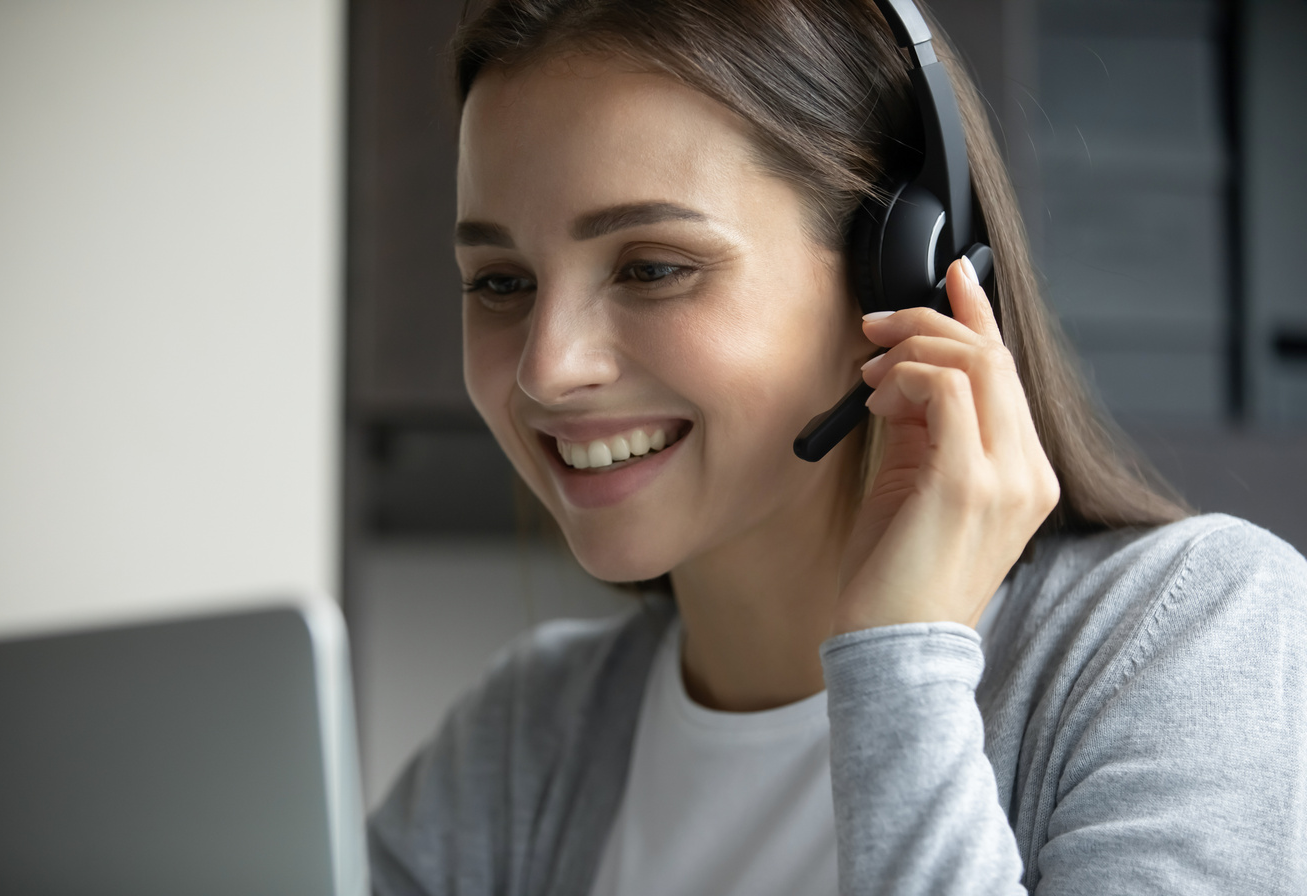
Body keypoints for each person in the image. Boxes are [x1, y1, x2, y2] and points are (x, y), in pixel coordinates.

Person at [368, 1, 1307, 893]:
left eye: (653, 267)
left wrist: (902, 659)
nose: (547, 367)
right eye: (498, 282)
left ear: (896, 272)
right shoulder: (524, 737)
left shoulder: (1188, 638)